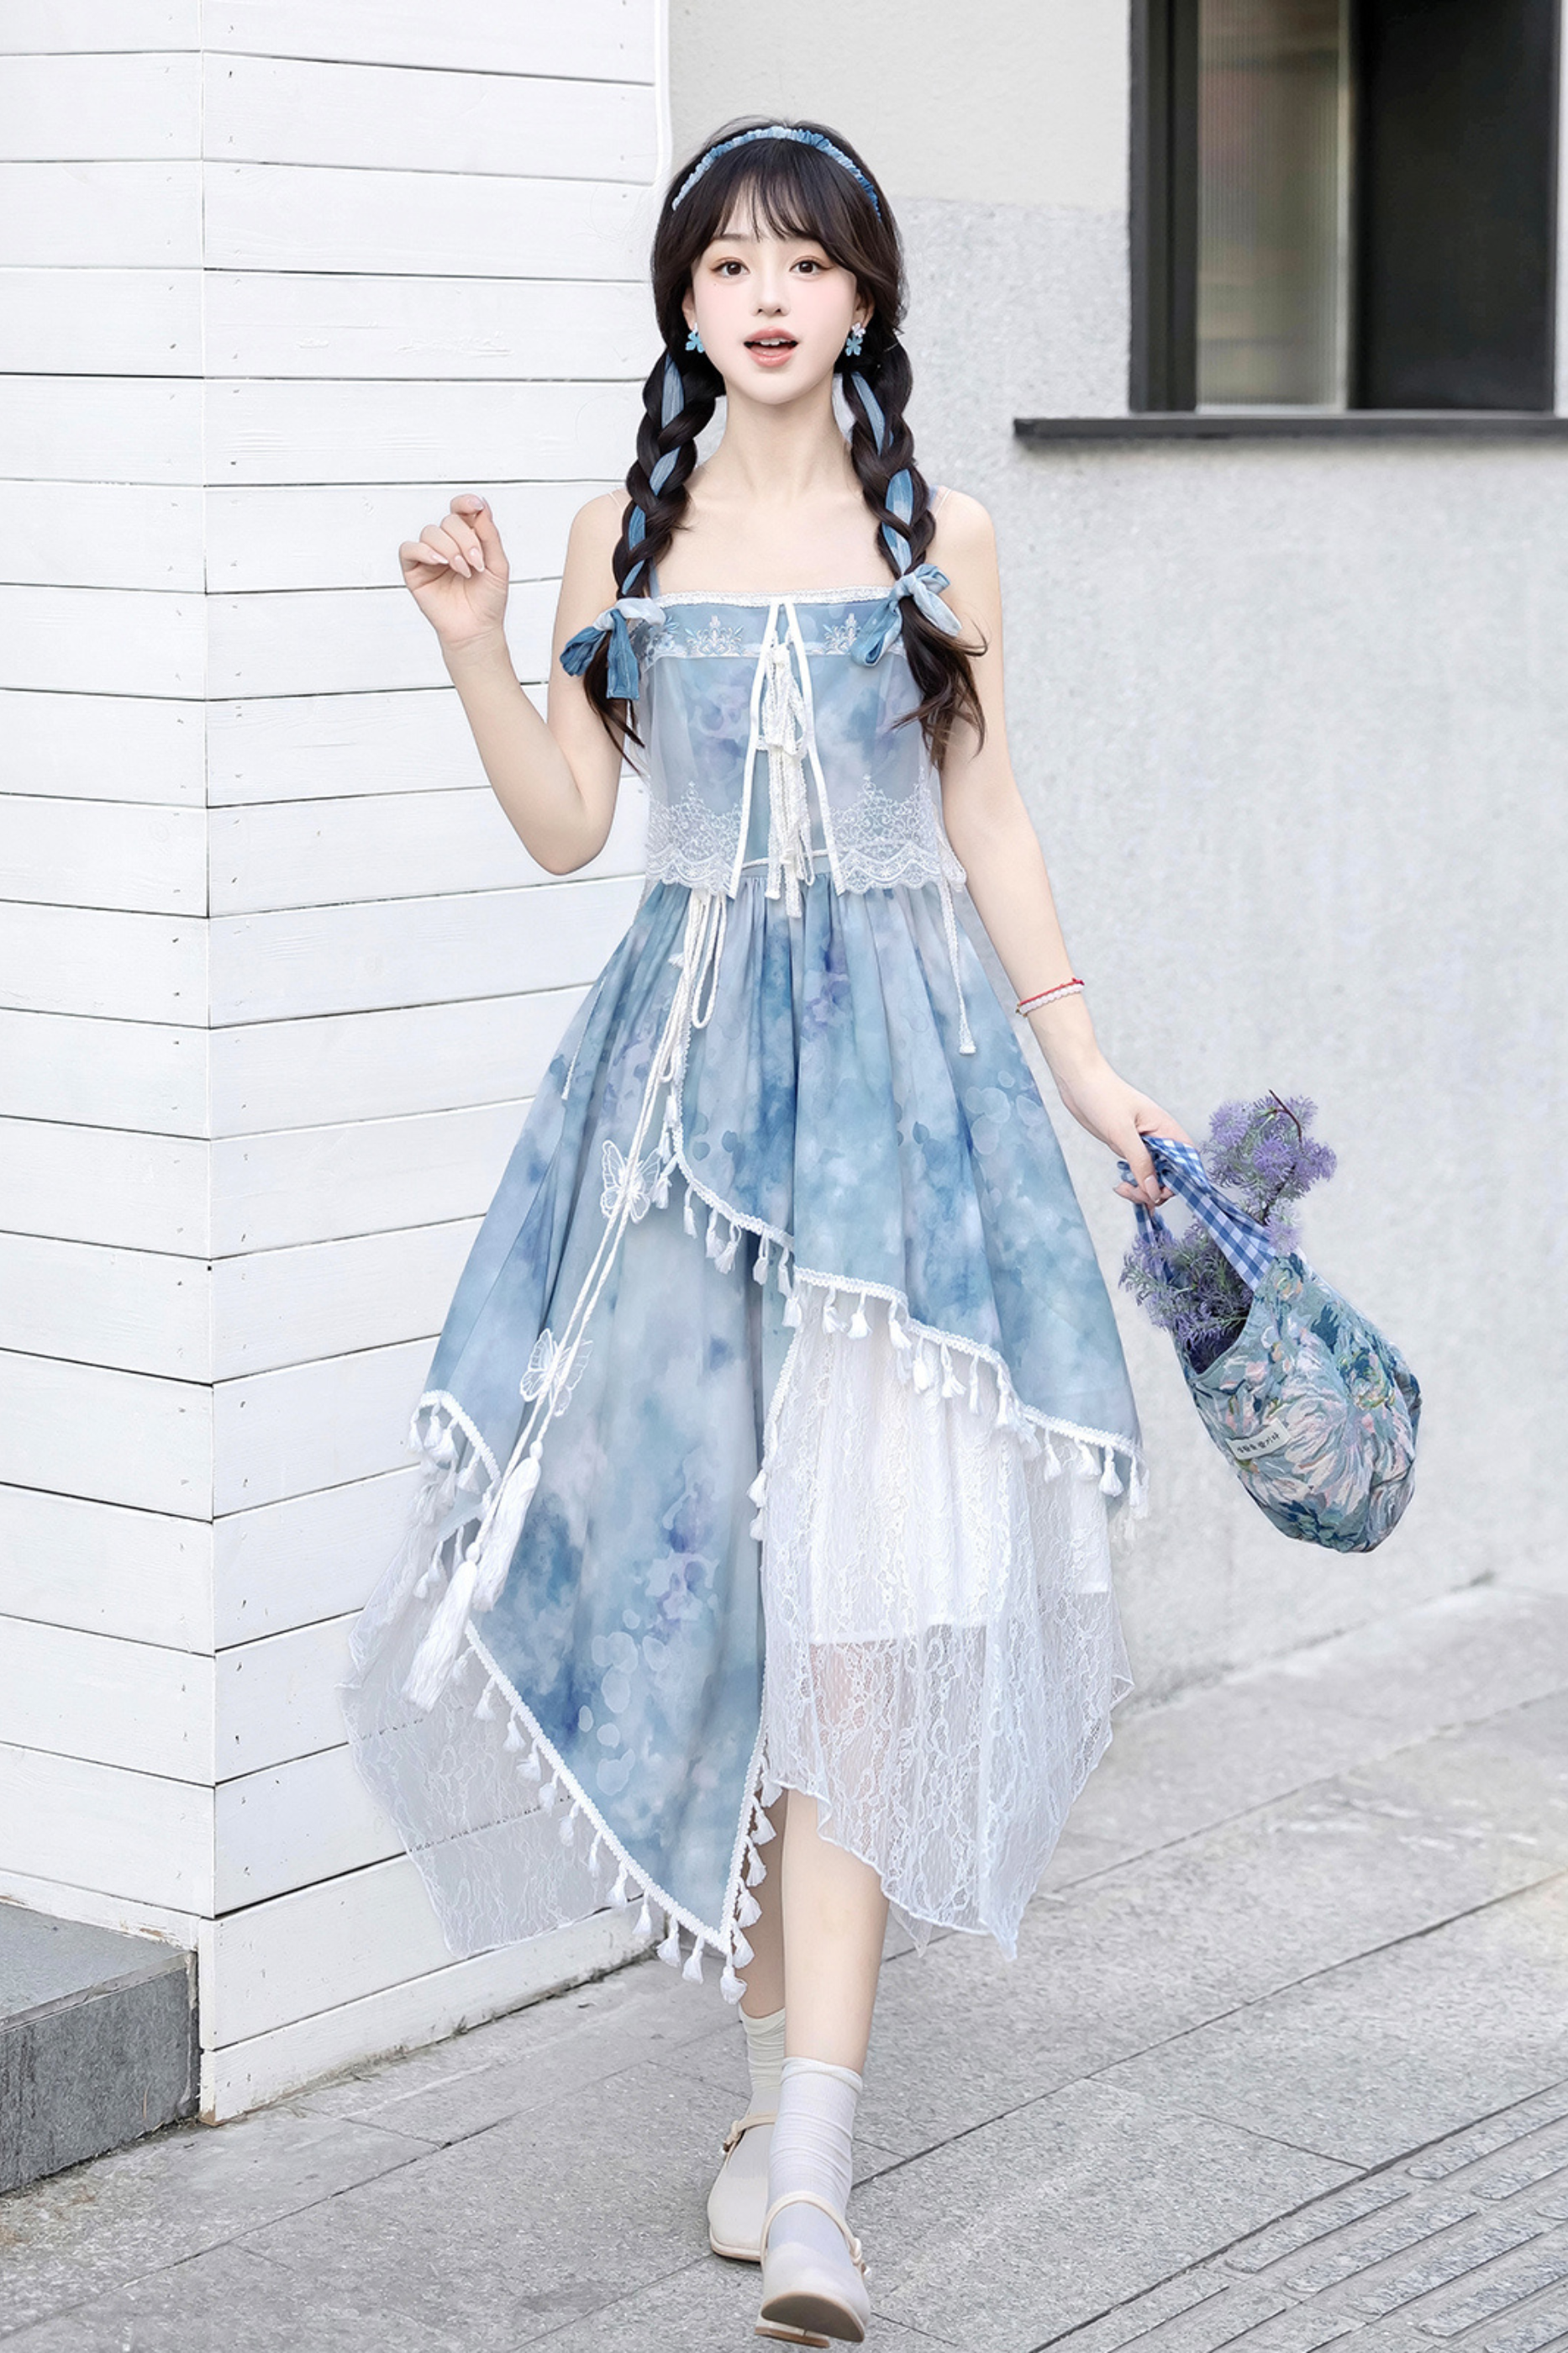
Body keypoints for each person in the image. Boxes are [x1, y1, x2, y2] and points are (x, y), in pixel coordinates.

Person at [343, 118, 1187, 2348]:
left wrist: (1090, 1072)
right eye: (726, 265)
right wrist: (473, 650)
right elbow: (568, 826)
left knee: (865, 1619)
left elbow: (984, 805)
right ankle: (767, 2113)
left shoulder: (946, 534)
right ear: (686, 306)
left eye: (803, 262)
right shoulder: (622, 533)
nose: (766, 295)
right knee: (731, 1606)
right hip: (678, 1126)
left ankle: (812, 2173)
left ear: (864, 294)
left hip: (903, 1128)